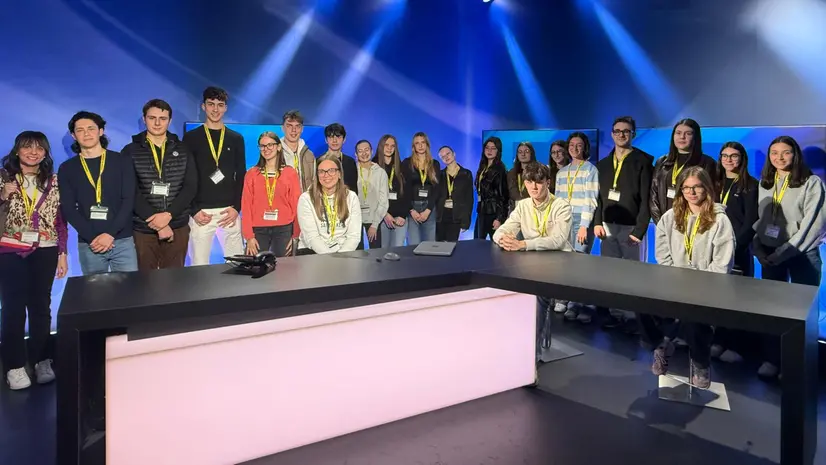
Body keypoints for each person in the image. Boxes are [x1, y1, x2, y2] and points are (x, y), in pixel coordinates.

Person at [643, 166, 734, 389]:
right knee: (642, 304)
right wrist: (675, 278)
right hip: (674, 281)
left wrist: (699, 284)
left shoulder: (720, 219)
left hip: (706, 285)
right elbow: (662, 253)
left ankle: (701, 363)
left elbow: (722, 261)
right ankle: (662, 345)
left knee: (695, 318)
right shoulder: (669, 217)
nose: (691, 192)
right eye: (686, 188)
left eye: (697, 187)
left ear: (707, 188)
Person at [753, 135, 826, 379]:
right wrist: (758, 247)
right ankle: (772, 359)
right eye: (774, 153)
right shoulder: (765, 182)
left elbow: (812, 225)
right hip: (771, 255)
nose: (779, 157)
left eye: (785, 152)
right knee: (771, 309)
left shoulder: (812, 183)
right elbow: (762, 220)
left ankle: (797, 366)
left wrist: (784, 252)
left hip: (802, 255)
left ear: (795, 154)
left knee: (802, 314)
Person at [0, 131, 68, 390]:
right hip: (10, 250)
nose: (33, 152)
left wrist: (62, 252)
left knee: (41, 306)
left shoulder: (54, 181)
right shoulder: (3, 177)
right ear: (17, 150)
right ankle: (15, 366)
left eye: (39, 148)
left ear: (45, 153)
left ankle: (42, 360)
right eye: (27, 147)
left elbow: (60, 220)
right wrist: (2, 195)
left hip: (46, 249)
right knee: (13, 308)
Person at [492, 162, 573, 363]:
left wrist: (523, 244)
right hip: (531, 262)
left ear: (548, 182)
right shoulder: (523, 206)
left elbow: (558, 240)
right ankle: (511, 347)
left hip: (559, 263)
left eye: (538, 182)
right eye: (529, 182)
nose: (534, 187)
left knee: (536, 297)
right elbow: (502, 230)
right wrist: (503, 239)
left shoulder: (561, 206)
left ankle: (531, 357)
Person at [59, 111, 138, 274]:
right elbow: (68, 209)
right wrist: (92, 237)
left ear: (101, 131)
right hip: (90, 242)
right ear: (73, 135)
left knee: (129, 288)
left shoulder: (122, 161)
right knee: (94, 290)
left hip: (122, 239)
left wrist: (110, 234)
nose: (86, 133)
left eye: (91, 128)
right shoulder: (67, 168)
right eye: (80, 130)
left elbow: (128, 200)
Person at [122, 99, 197, 270]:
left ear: (170, 121)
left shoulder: (183, 149)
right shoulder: (130, 151)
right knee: (144, 281)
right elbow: (129, 190)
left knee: (174, 280)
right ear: (144, 119)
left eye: (162, 118)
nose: (157, 123)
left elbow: (190, 187)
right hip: (144, 228)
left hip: (177, 225)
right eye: (152, 118)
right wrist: (156, 221)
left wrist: (168, 216)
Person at [593, 116, 652, 329]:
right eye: (617, 131)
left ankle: (633, 318)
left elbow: (647, 200)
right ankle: (614, 313)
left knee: (633, 275)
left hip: (631, 228)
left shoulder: (643, 162)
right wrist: (597, 222)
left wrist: (639, 231)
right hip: (607, 226)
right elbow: (597, 198)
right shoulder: (603, 164)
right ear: (612, 134)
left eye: (626, 131)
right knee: (609, 274)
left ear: (633, 134)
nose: (621, 134)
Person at [708, 142, 759, 364]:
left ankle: (736, 345)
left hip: (738, 251)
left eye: (734, 156)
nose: (728, 160)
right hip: (714, 250)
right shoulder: (714, 183)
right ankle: (719, 340)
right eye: (724, 156)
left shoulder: (751, 185)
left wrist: (734, 247)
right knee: (718, 300)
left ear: (742, 158)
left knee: (738, 301)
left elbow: (751, 222)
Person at [184, 86, 246, 265]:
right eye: (211, 104)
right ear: (203, 106)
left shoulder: (236, 138)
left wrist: (236, 208)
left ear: (225, 108)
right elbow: (185, 176)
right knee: (199, 266)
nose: (215, 109)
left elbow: (241, 175)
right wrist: (194, 210)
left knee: (237, 265)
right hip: (201, 213)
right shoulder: (191, 138)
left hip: (229, 212)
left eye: (220, 105)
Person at [553, 132, 599, 323]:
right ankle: (563, 299)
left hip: (582, 220)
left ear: (584, 147)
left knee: (579, 263)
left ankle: (576, 304)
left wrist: (584, 226)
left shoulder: (590, 170)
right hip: (564, 220)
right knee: (564, 262)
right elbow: (557, 200)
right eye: (571, 145)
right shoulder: (562, 172)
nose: (574, 148)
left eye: (579, 145)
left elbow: (591, 200)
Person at [241, 132, 301, 257]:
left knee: (283, 267)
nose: (266, 149)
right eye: (262, 146)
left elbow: (296, 206)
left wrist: (295, 235)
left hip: (284, 229)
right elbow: (246, 206)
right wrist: (249, 237)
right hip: (258, 230)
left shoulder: (290, 173)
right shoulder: (252, 174)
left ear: (278, 147)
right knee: (256, 266)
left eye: (270, 145)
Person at [650, 118, 717, 225]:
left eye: (688, 133)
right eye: (678, 133)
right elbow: (653, 195)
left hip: (694, 223)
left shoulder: (707, 163)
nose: (682, 137)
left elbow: (711, 196)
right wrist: (661, 224)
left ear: (695, 137)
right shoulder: (662, 162)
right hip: (665, 222)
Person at [297, 155, 362, 254]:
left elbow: (354, 236)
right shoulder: (306, 199)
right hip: (312, 252)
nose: (326, 175)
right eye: (321, 171)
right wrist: (330, 259)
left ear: (339, 174)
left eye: (331, 170)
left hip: (343, 252)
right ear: (317, 175)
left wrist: (341, 257)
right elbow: (312, 237)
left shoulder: (351, 197)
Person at [403, 132, 440, 245]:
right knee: (413, 245)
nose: (420, 145)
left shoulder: (434, 164)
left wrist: (428, 210)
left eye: (423, 142)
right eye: (417, 143)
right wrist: (411, 210)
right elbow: (404, 188)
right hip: (412, 208)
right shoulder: (407, 163)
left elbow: (437, 189)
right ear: (413, 146)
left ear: (427, 145)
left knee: (430, 245)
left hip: (429, 208)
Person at [374, 134, 410, 248]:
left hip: (400, 219)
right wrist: (385, 214)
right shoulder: (373, 166)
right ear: (381, 146)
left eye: (392, 146)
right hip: (381, 217)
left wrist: (403, 215)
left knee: (398, 251)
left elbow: (408, 194)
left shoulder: (402, 166)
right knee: (383, 251)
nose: (389, 148)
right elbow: (372, 195)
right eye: (386, 145)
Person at [354, 139, 389, 249]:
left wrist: (375, 224)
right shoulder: (352, 171)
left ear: (372, 151)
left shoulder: (381, 173)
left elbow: (384, 200)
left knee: (376, 253)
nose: (364, 153)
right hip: (355, 220)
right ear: (356, 154)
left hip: (374, 218)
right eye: (360, 151)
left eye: (366, 150)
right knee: (357, 254)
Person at [435, 146, 474, 241]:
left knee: (451, 245)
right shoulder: (440, 175)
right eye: (443, 156)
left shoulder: (466, 174)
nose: (446, 157)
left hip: (456, 215)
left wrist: (465, 222)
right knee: (439, 245)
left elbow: (469, 199)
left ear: (454, 154)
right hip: (441, 215)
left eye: (448, 154)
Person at [474, 137, 508, 240]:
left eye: (493, 148)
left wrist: (499, 218)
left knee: (496, 244)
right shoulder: (483, 166)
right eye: (487, 148)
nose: (489, 151)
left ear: (498, 151)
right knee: (477, 242)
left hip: (493, 212)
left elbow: (503, 196)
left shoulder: (500, 169)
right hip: (482, 210)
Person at [281, 110, 316, 192]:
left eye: (297, 126)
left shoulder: (309, 154)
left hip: (305, 199)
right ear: (282, 128)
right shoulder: (275, 153)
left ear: (302, 129)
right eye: (289, 126)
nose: (294, 130)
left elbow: (314, 182)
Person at [320, 123, 358, 193]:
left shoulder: (350, 162)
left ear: (344, 139)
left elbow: (354, 189)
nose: (334, 141)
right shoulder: (319, 161)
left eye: (338, 137)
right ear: (326, 140)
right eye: (331, 137)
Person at [507, 142, 536, 210]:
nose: (523, 154)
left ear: (531, 154)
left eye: (526, 151)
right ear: (517, 155)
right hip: (514, 210)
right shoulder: (511, 173)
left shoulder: (537, 172)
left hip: (532, 209)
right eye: (520, 152)